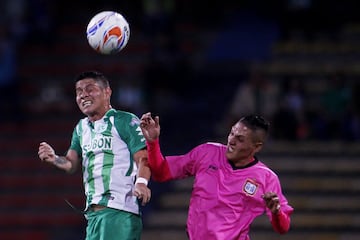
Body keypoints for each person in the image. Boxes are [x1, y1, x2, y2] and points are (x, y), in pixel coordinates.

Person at [140, 112, 293, 240]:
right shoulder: (206, 152)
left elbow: (282, 228)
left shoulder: (266, 178)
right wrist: (153, 143)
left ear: (256, 147)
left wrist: (276, 212)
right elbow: (161, 173)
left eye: (240, 139)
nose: (231, 141)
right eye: (232, 133)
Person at [38, 71, 151, 240]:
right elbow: (70, 164)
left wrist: (142, 183)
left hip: (119, 212)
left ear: (107, 92)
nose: (83, 95)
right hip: (93, 217)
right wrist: (54, 159)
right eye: (79, 91)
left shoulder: (124, 120)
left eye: (90, 89)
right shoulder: (81, 128)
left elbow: (143, 157)